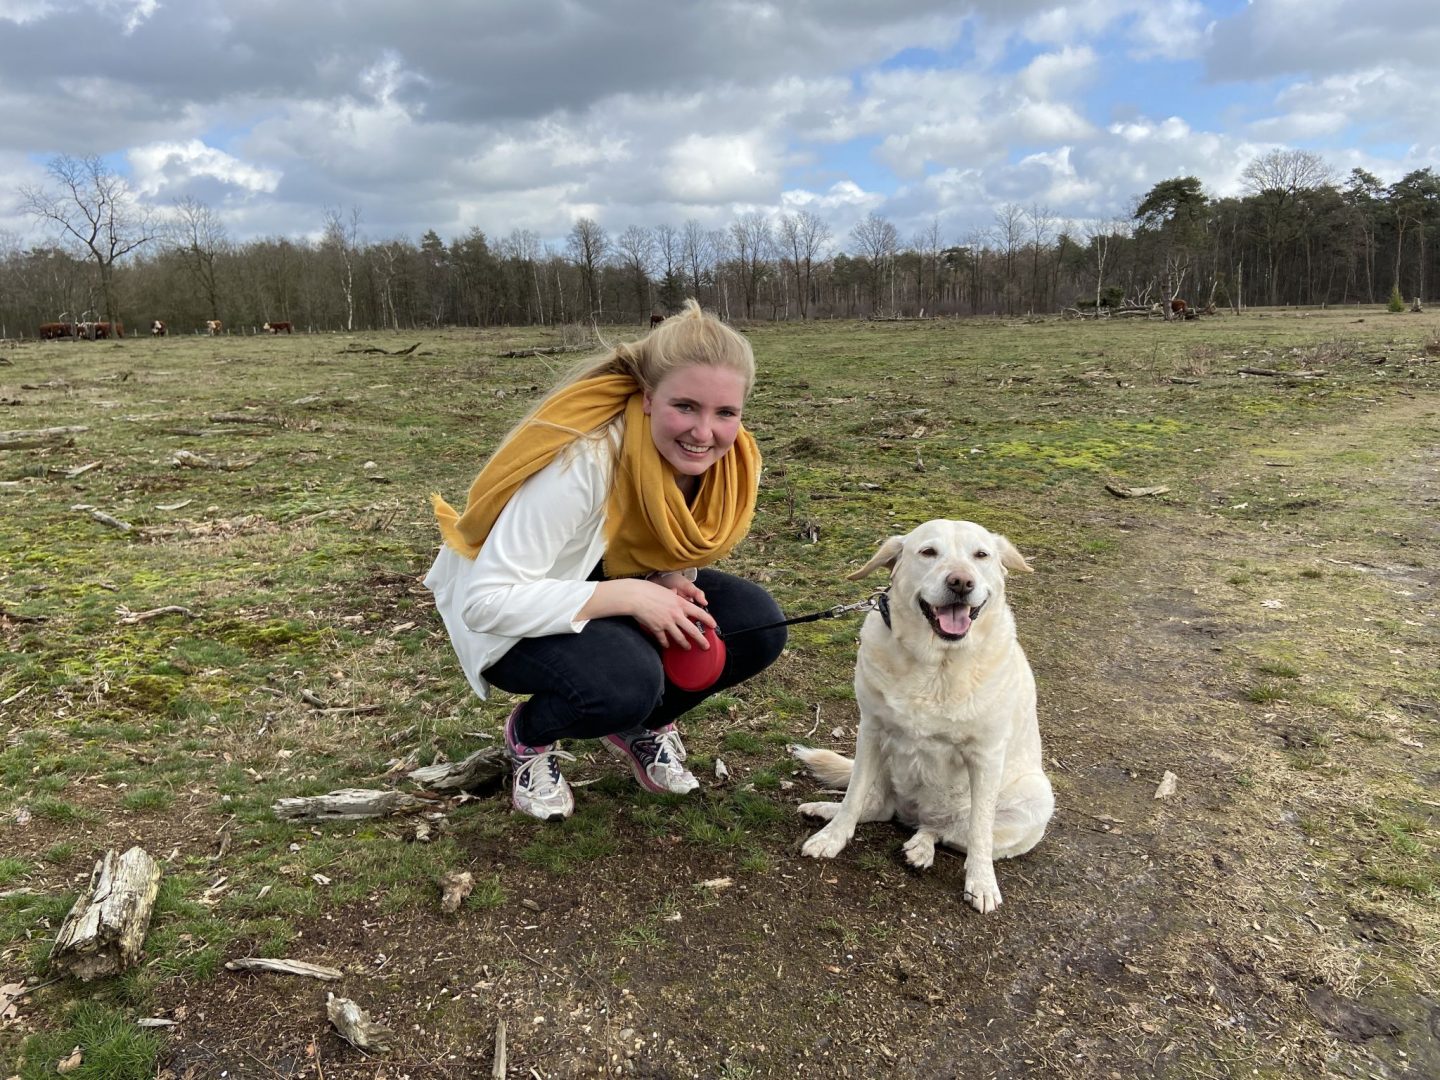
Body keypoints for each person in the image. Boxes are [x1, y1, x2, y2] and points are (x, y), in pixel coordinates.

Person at [425, 300, 787, 821]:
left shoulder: (730, 463)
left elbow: (653, 542)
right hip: (513, 609)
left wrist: (667, 576)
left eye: (725, 412)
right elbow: (487, 602)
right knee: (624, 681)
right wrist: (636, 595)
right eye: (684, 406)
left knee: (755, 625)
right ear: (646, 398)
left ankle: (640, 727)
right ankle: (530, 737)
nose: (705, 432)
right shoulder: (585, 459)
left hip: (602, 580)